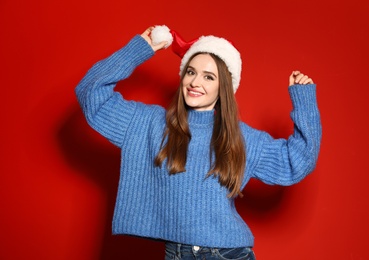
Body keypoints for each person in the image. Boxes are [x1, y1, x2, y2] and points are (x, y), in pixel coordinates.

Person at [75, 25, 321, 260]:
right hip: (177, 253)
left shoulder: (241, 137)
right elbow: (91, 93)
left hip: (227, 254)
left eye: (208, 77)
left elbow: (297, 161)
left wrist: (304, 101)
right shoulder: (147, 123)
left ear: (223, 87)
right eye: (190, 72)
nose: (195, 82)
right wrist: (141, 47)